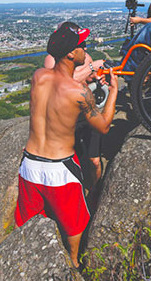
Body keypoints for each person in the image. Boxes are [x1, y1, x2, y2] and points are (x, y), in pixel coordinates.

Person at [15, 23, 118, 269]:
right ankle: (72, 266)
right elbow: (103, 126)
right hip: (59, 171)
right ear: (71, 53)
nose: (84, 48)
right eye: (81, 45)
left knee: (29, 227)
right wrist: (113, 91)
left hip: (29, 166)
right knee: (74, 225)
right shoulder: (79, 91)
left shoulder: (39, 76)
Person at [44, 25, 106, 190]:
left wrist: (98, 79)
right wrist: (91, 68)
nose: (85, 46)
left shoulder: (86, 57)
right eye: (81, 42)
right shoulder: (52, 59)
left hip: (87, 114)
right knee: (71, 161)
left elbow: (92, 78)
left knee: (94, 161)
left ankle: (94, 193)